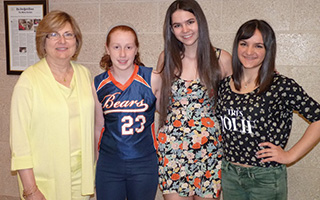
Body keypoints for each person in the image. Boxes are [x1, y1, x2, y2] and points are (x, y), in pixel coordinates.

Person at [216, 19, 320, 200]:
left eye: (258, 46)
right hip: (229, 174)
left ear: (268, 50)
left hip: (265, 178)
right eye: (244, 44)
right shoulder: (225, 85)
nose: (249, 51)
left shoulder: (281, 85)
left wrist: (289, 156)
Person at [10, 10, 95, 200]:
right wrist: (30, 190)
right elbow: (19, 141)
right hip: (45, 181)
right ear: (43, 41)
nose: (62, 41)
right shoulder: (29, 80)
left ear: (76, 41)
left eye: (68, 35)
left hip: (81, 178)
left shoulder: (84, 74)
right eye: (54, 35)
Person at [156, 0, 232, 199]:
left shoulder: (221, 59)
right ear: (171, 30)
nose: (185, 29)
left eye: (190, 22)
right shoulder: (166, 58)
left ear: (200, 22)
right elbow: (159, 103)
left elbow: (239, 98)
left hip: (209, 151)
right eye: (177, 25)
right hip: (172, 151)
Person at [93, 24, 161, 200]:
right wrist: (98, 162)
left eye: (128, 47)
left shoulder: (152, 78)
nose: (122, 54)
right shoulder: (98, 84)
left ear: (136, 49)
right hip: (109, 164)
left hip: (144, 163)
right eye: (116, 47)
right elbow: (98, 127)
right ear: (107, 49)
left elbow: (168, 116)